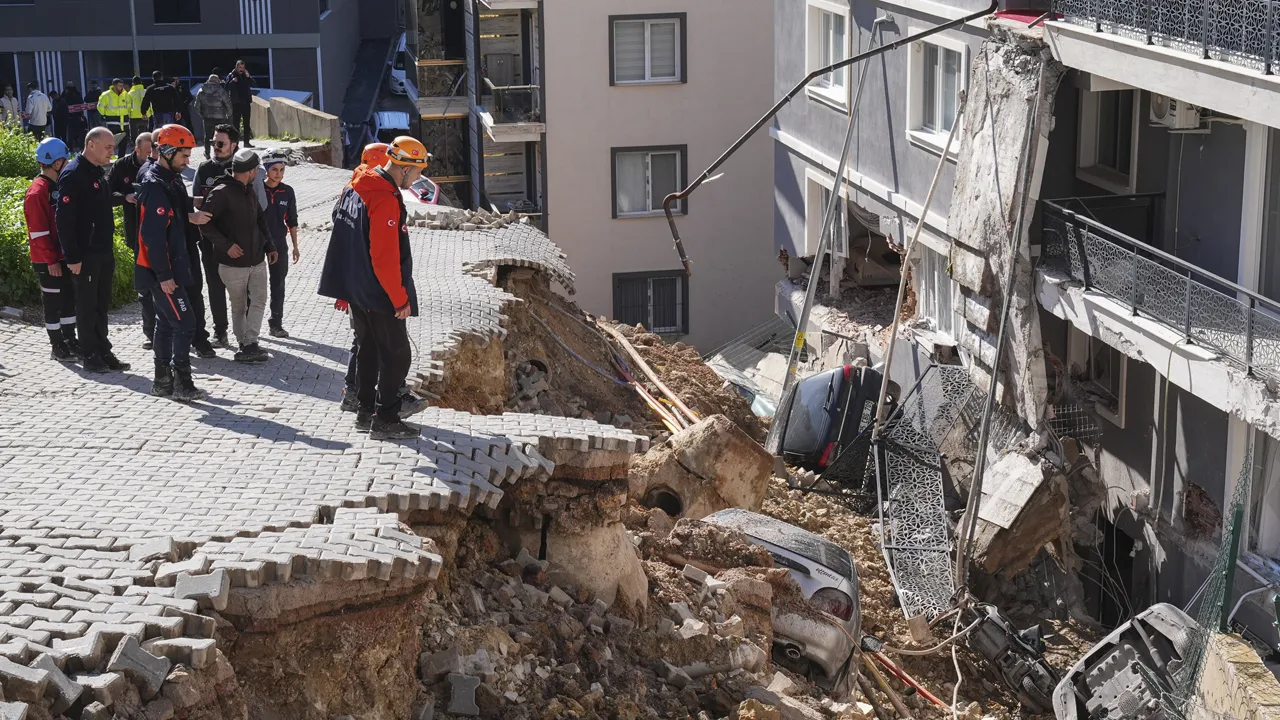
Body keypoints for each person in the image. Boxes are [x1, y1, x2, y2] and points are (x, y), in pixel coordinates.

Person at [319, 136, 428, 440]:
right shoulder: (384, 198)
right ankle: (386, 418)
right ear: (404, 168)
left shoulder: (355, 186)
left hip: (356, 286)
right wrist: (399, 298)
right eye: (417, 172)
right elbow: (384, 256)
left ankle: (365, 410)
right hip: (378, 289)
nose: (418, 179)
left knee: (367, 349)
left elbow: (344, 235)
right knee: (396, 354)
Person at [136, 124, 211, 402]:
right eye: (183, 154)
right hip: (162, 271)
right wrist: (164, 275)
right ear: (166, 151)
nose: (187, 160)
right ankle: (182, 384)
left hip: (174, 265)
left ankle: (163, 382)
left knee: (166, 323)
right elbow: (152, 236)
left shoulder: (171, 178)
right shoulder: (156, 185)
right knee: (185, 323)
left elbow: (178, 213)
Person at [56, 127, 129, 373]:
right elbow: (64, 220)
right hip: (85, 254)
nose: (113, 152)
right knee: (87, 307)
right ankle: (90, 354)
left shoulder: (97, 173)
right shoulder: (73, 174)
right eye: (108, 147)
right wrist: (72, 257)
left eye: (112, 148)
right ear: (91, 144)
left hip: (102, 250)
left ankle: (103, 349)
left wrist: (125, 197)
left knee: (101, 304)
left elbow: (103, 201)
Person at [193, 123, 266, 347]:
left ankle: (246, 335)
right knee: (215, 287)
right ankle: (220, 331)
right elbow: (196, 204)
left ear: (234, 145)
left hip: (243, 245)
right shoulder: (204, 169)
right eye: (213, 142)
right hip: (212, 243)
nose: (216, 146)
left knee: (246, 294)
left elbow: (260, 208)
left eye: (221, 143)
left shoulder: (250, 172)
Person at [202, 149, 276, 363]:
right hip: (232, 264)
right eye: (257, 171)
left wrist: (270, 246)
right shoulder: (220, 193)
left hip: (257, 260)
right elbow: (205, 224)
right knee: (239, 305)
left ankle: (250, 342)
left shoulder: (249, 189)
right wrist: (227, 246)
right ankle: (244, 345)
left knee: (259, 300)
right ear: (251, 170)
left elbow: (260, 220)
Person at [338, 142, 390, 412]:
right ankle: (354, 391)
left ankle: (356, 391)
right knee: (365, 341)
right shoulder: (365, 191)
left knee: (363, 340)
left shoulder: (351, 189)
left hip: (356, 280)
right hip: (364, 281)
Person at [24, 137, 79, 362]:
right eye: (65, 161)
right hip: (48, 260)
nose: (67, 165)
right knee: (53, 302)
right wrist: (51, 261)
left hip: (61, 256)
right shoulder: (38, 192)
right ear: (56, 163)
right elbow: (38, 233)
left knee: (68, 299)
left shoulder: (55, 186)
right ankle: (56, 345)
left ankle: (69, 339)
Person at [108, 131, 158, 349]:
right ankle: (151, 334)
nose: (151, 157)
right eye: (147, 153)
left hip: (159, 234)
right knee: (145, 288)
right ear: (137, 150)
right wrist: (125, 197)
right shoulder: (121, 166)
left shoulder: (161, 166)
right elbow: (106, 195)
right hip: (135, 233)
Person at [262, 154, 299, 338]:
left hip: (278, 243)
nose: (278, 174)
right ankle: (248, 325)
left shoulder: (288, 191)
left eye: (282, 170)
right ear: (266, 169)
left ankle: (276, 324)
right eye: (274, 169)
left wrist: (295, 246)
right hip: (258, 243)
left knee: (278, 284)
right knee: (254, 286)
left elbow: (292, 220)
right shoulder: (257, 189)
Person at [194, 74, 231, 157]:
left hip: (207, 117)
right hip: (220, 117)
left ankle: (207, 153)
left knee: (207, 136)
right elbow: (228, 103)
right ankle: (219, 152)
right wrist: (228, 113)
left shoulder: (201, 90)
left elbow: (196, 106)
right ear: (216, 80)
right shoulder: (220, 90)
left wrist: (202, 114)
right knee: (220, 136)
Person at [97, 79, 131, 156]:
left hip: (124, 123)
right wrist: (106, 114)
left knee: (123, 143)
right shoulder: (106, 95)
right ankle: (107, 157)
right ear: (114, 86)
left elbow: (129, 107)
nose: (122, 87)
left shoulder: (126, 94)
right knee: (111, 143)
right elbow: (100, 108)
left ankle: (121, 159)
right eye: (120, 86)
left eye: (122, 85)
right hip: (112, 122)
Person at [224, 60, 254, 147]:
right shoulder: (231, 75)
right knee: (235, 124)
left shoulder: (246, 76)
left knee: (246, 123)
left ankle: (246, 142)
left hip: (246, 102)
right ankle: (235, 143)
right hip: (236, 103)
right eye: (240, 67)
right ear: (236, 67)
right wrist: (233, 81)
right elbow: (226, 87)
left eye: (243, 68)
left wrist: (249, 77)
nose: (241, 69)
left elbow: (254, 84)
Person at [62, 82, 87, 151]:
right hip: (69, 117)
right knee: (70, 133)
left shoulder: (77, 93)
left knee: (80, 133)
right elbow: (62, 103)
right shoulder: (65, 93)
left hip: (77, 116)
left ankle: (81, 146)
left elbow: (81, 102)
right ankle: (71, 147)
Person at [127, 76, 149, 150]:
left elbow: (128, 106)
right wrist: (150, 113)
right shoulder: (145, 91)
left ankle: (136, 148)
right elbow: (150, 104)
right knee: (143, 133)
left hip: (134, 117)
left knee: (134, 135)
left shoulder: (130, 93)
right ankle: (144, 147)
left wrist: (128, 114)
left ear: (133, 83)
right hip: (145, 116)